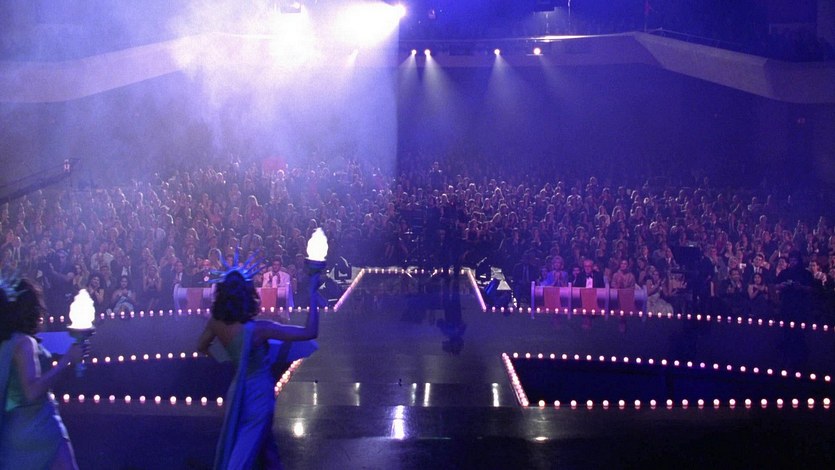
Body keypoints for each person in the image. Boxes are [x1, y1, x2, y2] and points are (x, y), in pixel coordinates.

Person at [197, 258, 321, 469]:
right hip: (259, 394)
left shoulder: (215, 324)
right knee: (247, 451)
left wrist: (230, 358)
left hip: (237, 390)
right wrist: (312, 294)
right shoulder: (259, 329)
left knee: (264, 451)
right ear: (248, 294)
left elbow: (202, 346)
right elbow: (310, 332)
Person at [0, 277, 88, 469]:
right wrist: (66, 360)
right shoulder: (25, 343)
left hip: (13, 432)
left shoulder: (6, 343)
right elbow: (31, 391)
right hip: (39, 427)